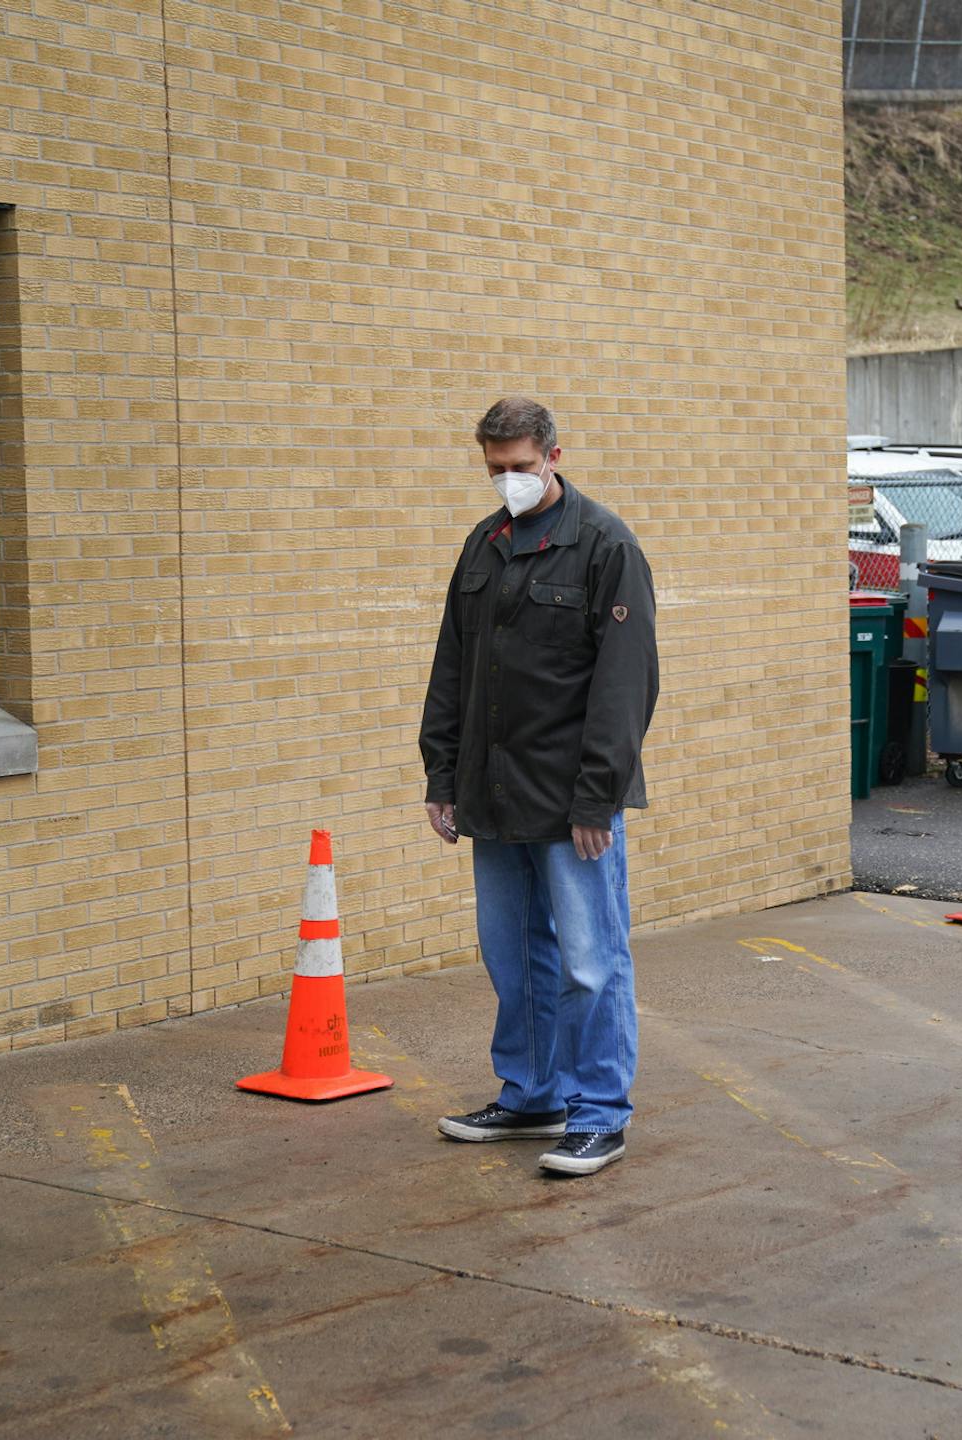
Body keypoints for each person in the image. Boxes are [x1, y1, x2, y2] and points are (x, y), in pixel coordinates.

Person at [420, 397, 661, 1177]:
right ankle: (531, 1095)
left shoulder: (603, 545)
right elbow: (452, 666)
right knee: (513, 957)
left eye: (520, 467)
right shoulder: (484, 545)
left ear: (554, 455)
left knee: (592, 962)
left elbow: (625, 685)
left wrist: (599, 797)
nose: (507, 482)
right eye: (494, 470)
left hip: (570, 802)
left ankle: (599, 1114)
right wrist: (442, 773)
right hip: (493, 795)